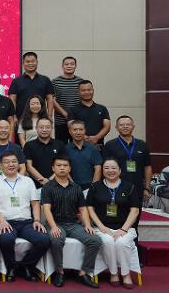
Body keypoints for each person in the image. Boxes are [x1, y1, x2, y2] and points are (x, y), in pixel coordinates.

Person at [0, 152, 50, 282]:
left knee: (44, 239)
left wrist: (37, 220)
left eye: (14, 161)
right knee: (6, 239)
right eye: (7, 162)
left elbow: (35, 203)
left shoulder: (28, 181)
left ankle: (26, 266)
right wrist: (1, 221)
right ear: (1, 165)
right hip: (6, 221)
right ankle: (11, 267)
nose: (11, 164)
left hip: (27, 222)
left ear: (18, 164)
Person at [41, 157, 101, 288]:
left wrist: (87, 225)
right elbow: (46, 209)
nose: (62, 168)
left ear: (69, 168)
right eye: (59, 165)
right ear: (53, 168)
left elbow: (83, 209)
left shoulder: (76, 187)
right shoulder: (47, 187)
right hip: (56, 223)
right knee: (56, 239)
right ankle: (59, 272)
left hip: (73, 224)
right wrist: (53, 227)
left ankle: (84, 272)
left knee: (95, 240)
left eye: (65, 165)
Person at [87, 158, 141, 289]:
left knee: (122, 242)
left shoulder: (129, 187)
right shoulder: (95, 186)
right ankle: (113, 273)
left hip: (125, 228)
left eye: (113, 168)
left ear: (120, 170)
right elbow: (89, 208)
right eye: (106, 168)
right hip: (102, 228)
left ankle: (126, 274)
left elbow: (135, 210)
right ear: (102, 170)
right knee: (108, 242)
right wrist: (101, 226)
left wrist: (123, 229)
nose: (110, 171)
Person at [103, 115, 152, 203]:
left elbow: (147, 167)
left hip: (137, 188)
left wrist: (147, 188)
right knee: (118, 211)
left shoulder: (142, 145)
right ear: (116, 127)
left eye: (128, 124)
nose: (125, 127)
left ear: (133, 126)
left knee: (136, 211)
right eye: (122, 125)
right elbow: (105, 168)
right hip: (116, 188)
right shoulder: (110, 145)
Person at [9, 52, 55, 119]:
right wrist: (14, 116)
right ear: (23, 63)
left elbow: (50, 98)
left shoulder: (45, 79)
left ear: (37, 62)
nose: (30, 63)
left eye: (33, 61)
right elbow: (12, 100)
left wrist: (49, 115)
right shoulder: (16, 81)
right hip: (21, 118)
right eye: (27, 61)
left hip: (41, 118)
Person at [24, 118, 67, 187]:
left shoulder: (59, 144)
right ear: (36, 128)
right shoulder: (29, 145)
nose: (44, 130)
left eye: (47, 127)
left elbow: (62, 165)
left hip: (57, 184)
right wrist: (42, 180)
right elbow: (29, 166)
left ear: (52, 128)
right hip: (35, 185)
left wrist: (49, 180)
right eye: (41, 127)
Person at [67, 80, 111, 147]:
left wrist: (96, 138)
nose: (86, 92)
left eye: (89, 90)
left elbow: (107, 126)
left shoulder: (102, 108)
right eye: (83, 90)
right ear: (78, 92)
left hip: (98, 146)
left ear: (93, 90)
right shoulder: (72, 110)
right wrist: (84, 138)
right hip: (78, 147)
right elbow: (71, 126)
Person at [51, 56, 83, 143]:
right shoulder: (55, 82)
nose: (69, 66)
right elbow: (52, 100)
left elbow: (83, 100)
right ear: (62, 66)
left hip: (77, 121)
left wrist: (73, 116)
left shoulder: (80, 81)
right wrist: (65, 114)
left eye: (72, 64)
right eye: (66, 64)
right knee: (61, 146)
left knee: (77, 145)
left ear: (76, 66)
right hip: (60, 121)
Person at [66, 120, 102, 191]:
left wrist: (93, 187)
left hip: (90, 186)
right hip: (71, 187)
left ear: (85, 131)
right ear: (70, 131)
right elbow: (64, 169)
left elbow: (98, 168)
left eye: (81, 129)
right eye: (75, 130)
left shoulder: (93, 149)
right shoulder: (65, 149)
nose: (78, 132)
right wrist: (72, 185)